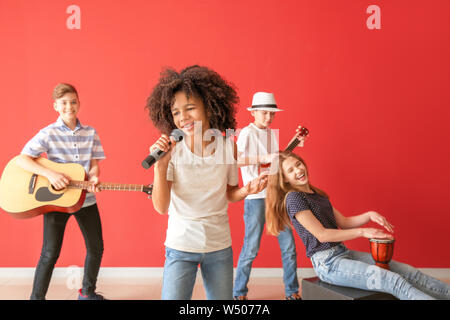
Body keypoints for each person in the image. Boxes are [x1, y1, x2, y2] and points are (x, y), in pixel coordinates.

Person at [145, 65, 268, 300]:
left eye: (190, 108)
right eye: (176, 112)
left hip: (219, 246)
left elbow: (229, 193)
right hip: (181, 246)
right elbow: (161, 207)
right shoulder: (172, 151)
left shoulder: (226, 145)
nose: (183, 118)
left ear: (209, 107)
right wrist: (160, 166)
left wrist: (246, 190)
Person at [265, 151, 450, 300]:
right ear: (285, 180)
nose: (298, 170)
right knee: (393, 281)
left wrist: (369, 215)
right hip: (328, 264)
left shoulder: (316, 194)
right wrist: (363, 232)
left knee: (410, 273)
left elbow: (344, 223)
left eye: (298, 164)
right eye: (290, 170)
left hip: (343, 253)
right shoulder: (294, 198)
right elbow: (322, 235)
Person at [15, 83, 107, 300]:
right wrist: (50, 175)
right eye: (64, 103)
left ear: (79, 103)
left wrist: (94, 176)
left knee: (96, 247)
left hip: (86, 199)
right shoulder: (48, 133)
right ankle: (36, 298)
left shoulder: (91, 132)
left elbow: (94, 164)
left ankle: (87, 293)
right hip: (58, 201)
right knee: (49, 253)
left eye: (73, 101)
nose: (69, 106)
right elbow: (22, 159)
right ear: (56, 105)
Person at [233, 92, 304, 300]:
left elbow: (276, 163)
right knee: (251, 248)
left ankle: (292, 292)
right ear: (253, 112)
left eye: (272, 114)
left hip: (275, 196)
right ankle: (238, 293)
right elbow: (235, 161)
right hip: (255, 198)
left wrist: (296, 143)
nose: (268, 118)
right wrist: (263, 157)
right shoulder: (247, 133)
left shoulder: (272, 134)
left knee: (289, 246)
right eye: (264, 113)